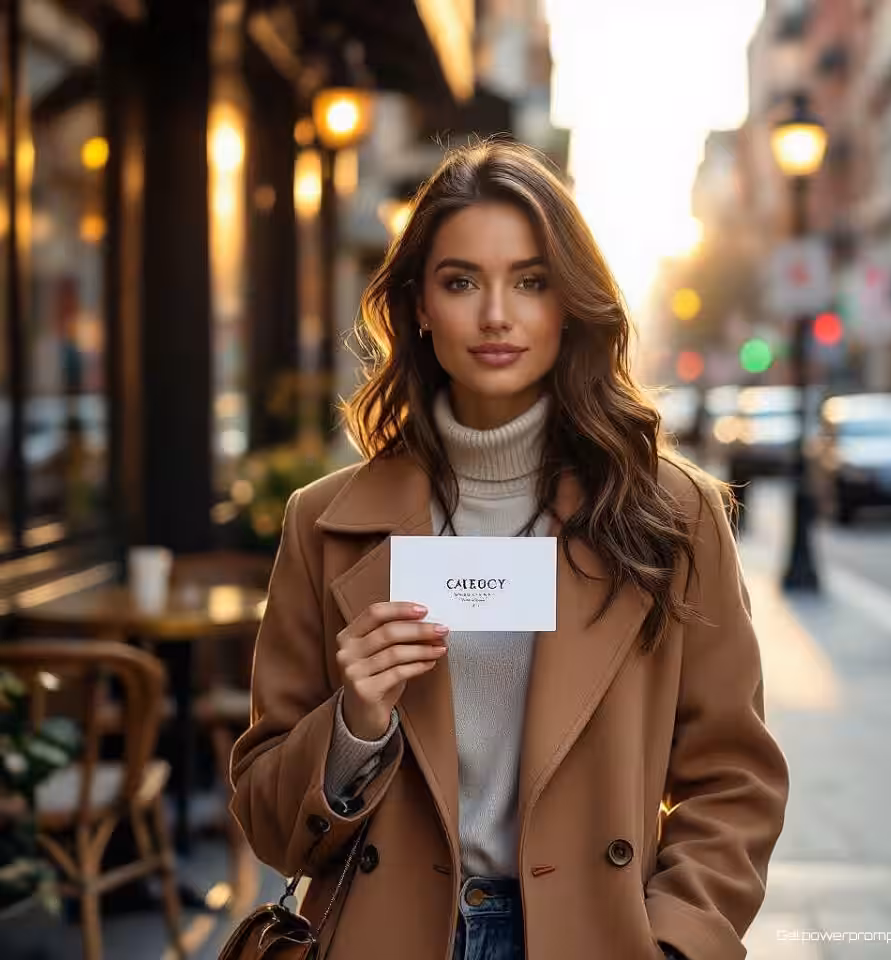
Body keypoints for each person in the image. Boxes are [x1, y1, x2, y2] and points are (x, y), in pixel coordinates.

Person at [229, 140, 789, 960]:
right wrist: (353, 723)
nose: (497, 314)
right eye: (461, 282)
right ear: (419, 305)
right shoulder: (325, 524)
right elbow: (270, 824)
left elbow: (732, 780)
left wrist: (675, 944)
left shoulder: (670, 514)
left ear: (570, 302)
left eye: (531, 281)